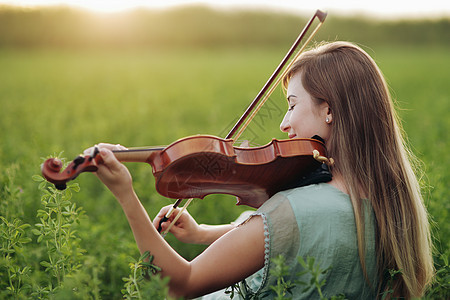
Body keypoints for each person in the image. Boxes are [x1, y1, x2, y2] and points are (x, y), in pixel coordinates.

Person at [87, 41, 433, 299]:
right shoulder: (393, 207)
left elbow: (181, 283)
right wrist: (204, 233)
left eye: (292, 105)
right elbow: (293, 238)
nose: (283, 124)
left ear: (328, 111)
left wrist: (125, 195)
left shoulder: (292, 207)